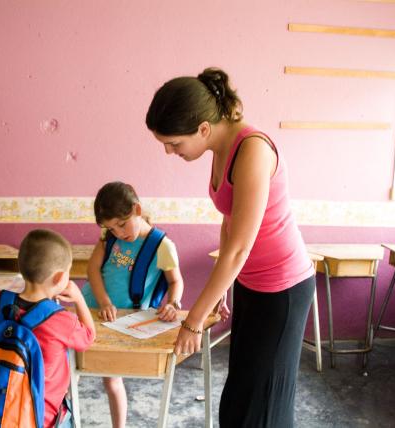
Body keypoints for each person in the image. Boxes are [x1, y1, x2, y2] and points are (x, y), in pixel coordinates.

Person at [146, 67, 315, 427]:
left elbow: (240, 248)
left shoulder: (252, 149)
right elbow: (229, 221)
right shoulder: (220, 148)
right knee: (238, 397)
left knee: (263, 406)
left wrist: (192, 323)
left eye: (174, 143)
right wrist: (222, 288)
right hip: (252, 283)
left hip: (283, 289)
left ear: (203, 129)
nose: (168, 151)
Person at [0, 229, 95, 428]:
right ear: (60, 278)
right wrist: (79, 298)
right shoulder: (62, 321)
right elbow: (88, 337)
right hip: (41, 415)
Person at [82, 181, 184, 428]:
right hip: (93, 310)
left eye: (121, 224)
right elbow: (93, 270)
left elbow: (175, 281)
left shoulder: (162, 245)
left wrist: (173, 303)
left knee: (111, 379)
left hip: (124, 320)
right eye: (111, 228)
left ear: (137, 210)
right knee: (70, 367)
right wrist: (103, 301)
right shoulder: (109, 238)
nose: (118, 233)